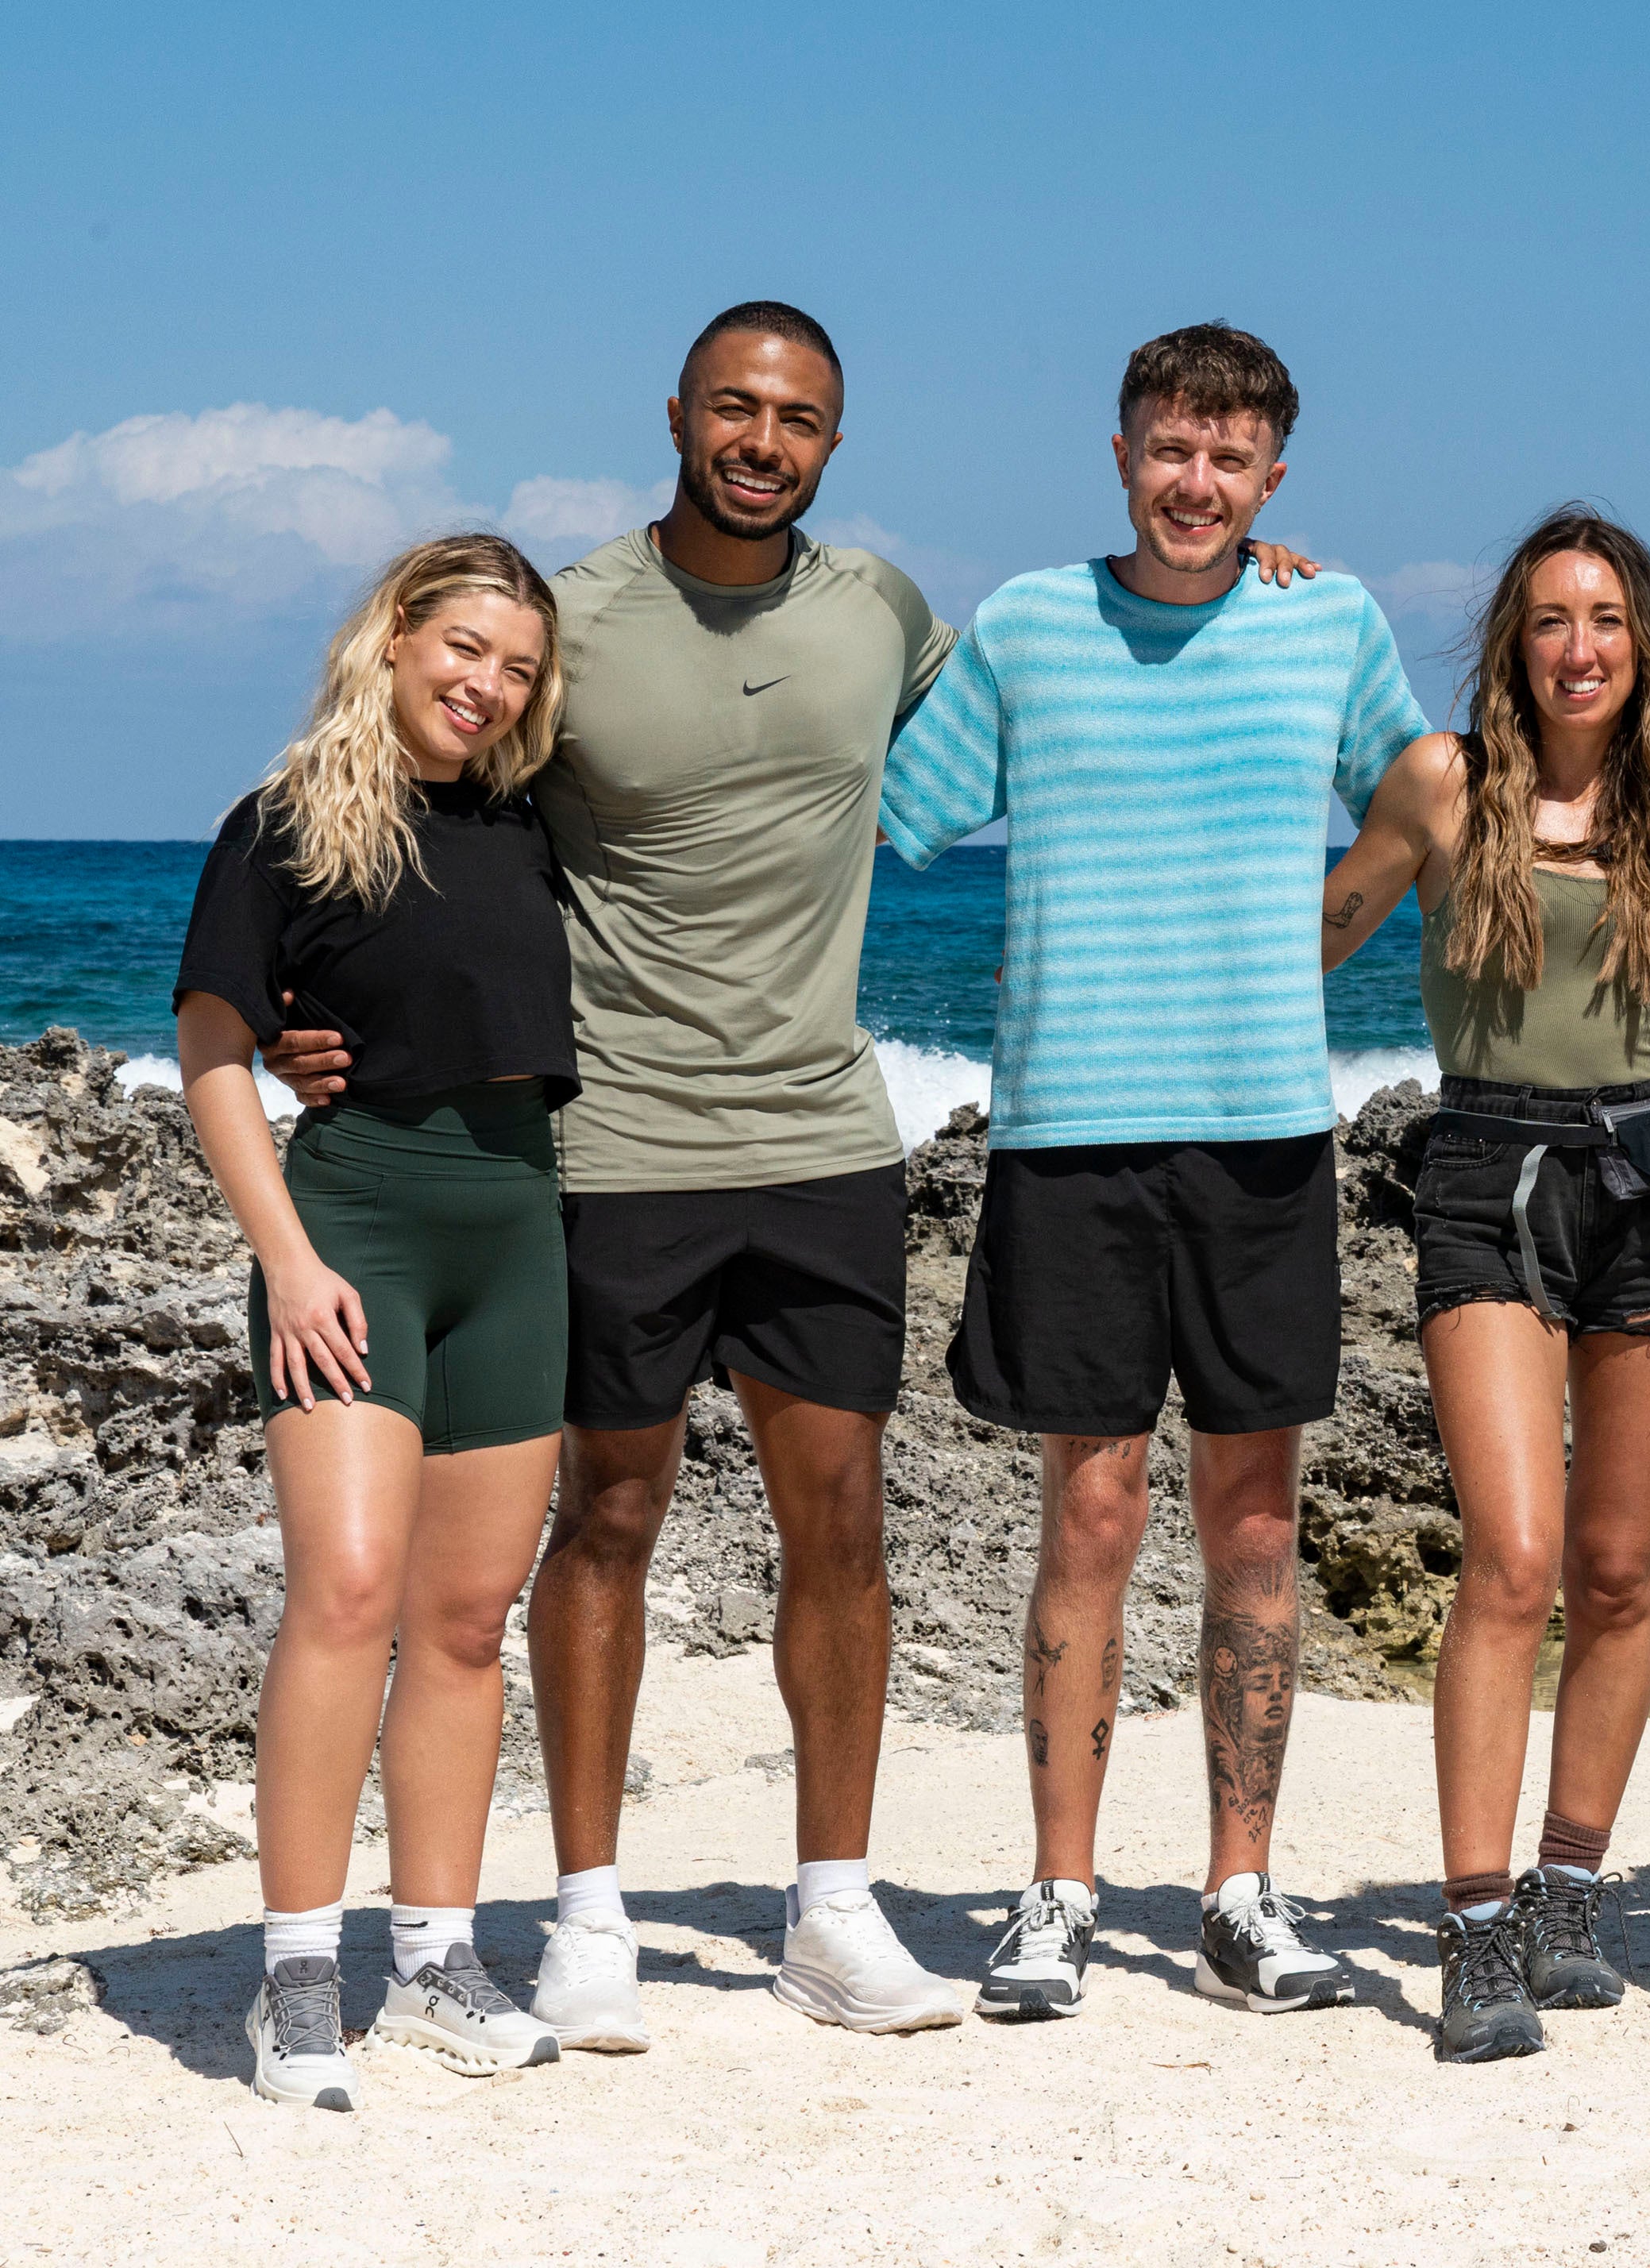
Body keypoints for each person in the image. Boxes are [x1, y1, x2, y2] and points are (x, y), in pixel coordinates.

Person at [254, 305, 1321, 2042]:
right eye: (736, 408)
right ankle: (588, 1913)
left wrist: (1236, 559)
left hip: (827, 1139)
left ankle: (835, 1908)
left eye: (800, 419)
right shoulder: (573, 620)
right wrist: (312, 1005)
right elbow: (436, 805)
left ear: (834, 442)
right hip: (614, 1146)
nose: (763, 438)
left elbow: (1079, 672)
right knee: (606, 1519)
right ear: (678, 413)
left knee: (843, 1528)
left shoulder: (884, 612)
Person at [874, 323, 1438, 2021]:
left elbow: (1429, 801)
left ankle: (1239, 1893)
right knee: (1092, 1514)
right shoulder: (1032, 626)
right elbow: (880, 804)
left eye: (1230, 458)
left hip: (1265, 1132)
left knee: (1255, 1519)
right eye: (1170, 450)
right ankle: (1057, 1892)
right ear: (1120, 454)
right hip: (1068, 1136)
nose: (1197, 483)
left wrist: (1315, 948)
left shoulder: (1324, 618)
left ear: (1275, 478)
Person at [1316, 507, 1650, 2062]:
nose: (1582, 648)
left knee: (1623, 1571)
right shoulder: (1444, 785)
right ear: (1514, 639)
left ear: (1646, 648)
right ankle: (1477, 1919)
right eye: (1555, 619)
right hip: (1487, 1171)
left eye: (1610, 621)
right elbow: (1314, 935)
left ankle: (1575, 1888)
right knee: (1514, 1558)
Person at [176, 534, 578, 2108]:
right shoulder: (280, 825)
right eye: (466, 648)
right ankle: (292, 1980)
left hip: (519, 1233)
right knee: (347, 1592)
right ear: (395, 638)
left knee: (472, 1621)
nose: (489, 685)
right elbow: (216, 1048)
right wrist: (284, 1256)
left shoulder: (527, 827)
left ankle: (432, 1964)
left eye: (522, 668)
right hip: (354, 1233)